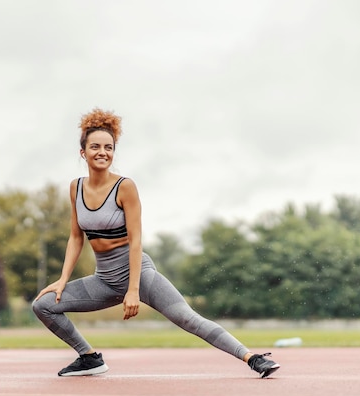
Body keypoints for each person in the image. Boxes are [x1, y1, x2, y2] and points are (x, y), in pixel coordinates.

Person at [32, 108, 280, 378]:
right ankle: (89, 357)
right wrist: (62, 279)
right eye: (95, 147)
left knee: (188, 318)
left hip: (140, 275)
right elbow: (75, 236)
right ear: (83, 152)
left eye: (108, 147)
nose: (102, 152)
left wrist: (133, 290)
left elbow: (136, 241)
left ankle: (253, 358)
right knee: (43, 305)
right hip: (103, 280)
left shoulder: (125, 187)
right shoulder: (75, 187)